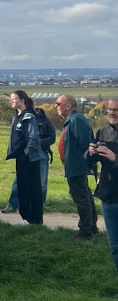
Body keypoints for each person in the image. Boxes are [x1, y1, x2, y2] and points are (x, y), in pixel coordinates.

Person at [57, 94, 98, 240]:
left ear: (68, 106)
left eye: (58, 103)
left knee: (81, 198)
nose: (56, 106)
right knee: (85, 196)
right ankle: (91, 227)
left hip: (77, 166)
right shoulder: (72, 120)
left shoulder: (76, 119)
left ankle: (85, 231)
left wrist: (86, 162)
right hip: (75, 165)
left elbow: (86, 143)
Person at [88, 97, 118, 274]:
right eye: (109, 109)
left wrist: (115, 158)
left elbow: (112, 159)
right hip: (109, 193)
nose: (112, 113)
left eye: (116, 109)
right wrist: (91, 154)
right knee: (114, 244)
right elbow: (94, 162)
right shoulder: (103, 132)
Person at [6, 90, 44, 225]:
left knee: (31, 188)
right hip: (20, 159)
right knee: (22, 187)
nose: (12, 101)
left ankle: (33, 218)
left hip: (29, 159)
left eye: (14, 99)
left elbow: (34, 138)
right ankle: (25, 216)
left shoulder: (28, 116)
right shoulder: (17, 116)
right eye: (11, 99)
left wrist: (26, 154)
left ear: (23, 100)